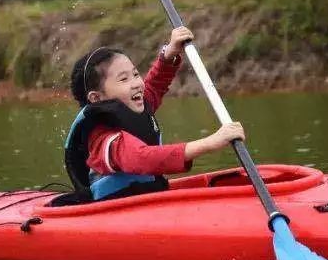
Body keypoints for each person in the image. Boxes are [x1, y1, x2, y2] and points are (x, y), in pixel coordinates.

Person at [62, 26, 245, 203]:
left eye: (135, 74)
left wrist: (169, 53)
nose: (136, 83)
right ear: (97, 98)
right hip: (115, 212)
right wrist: (210, 142)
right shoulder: (104, 140)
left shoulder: (134, 106)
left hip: (146, 200)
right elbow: (143, 158)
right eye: (124, 79)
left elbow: (155, 84)